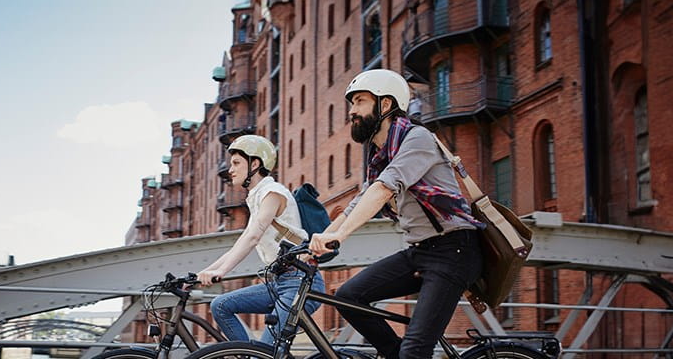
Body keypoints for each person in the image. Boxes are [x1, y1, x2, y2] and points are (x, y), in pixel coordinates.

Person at [310, 69, 485, 359]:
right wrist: (322, 241)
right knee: (348, 297)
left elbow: (383, 190)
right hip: (421, 250)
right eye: (351, 104)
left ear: (386, 105)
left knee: (415, 351)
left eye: (360, 102)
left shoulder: (418, 139)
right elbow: (361, 200)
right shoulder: (383, 155)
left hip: (455, 251)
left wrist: (341, 234)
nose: (352, 111)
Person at [195, 134, 325, 343]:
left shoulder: (273, 193)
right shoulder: (257, 197)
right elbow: (243, 240)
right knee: (220, 305)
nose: (231, 169)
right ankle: (249, 354)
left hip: (299, 282)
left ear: (254, 163)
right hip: (278, 281)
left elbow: (254, 236)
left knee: (267, 354)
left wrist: (221, 271)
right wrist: (206, 271)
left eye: (237, 163)